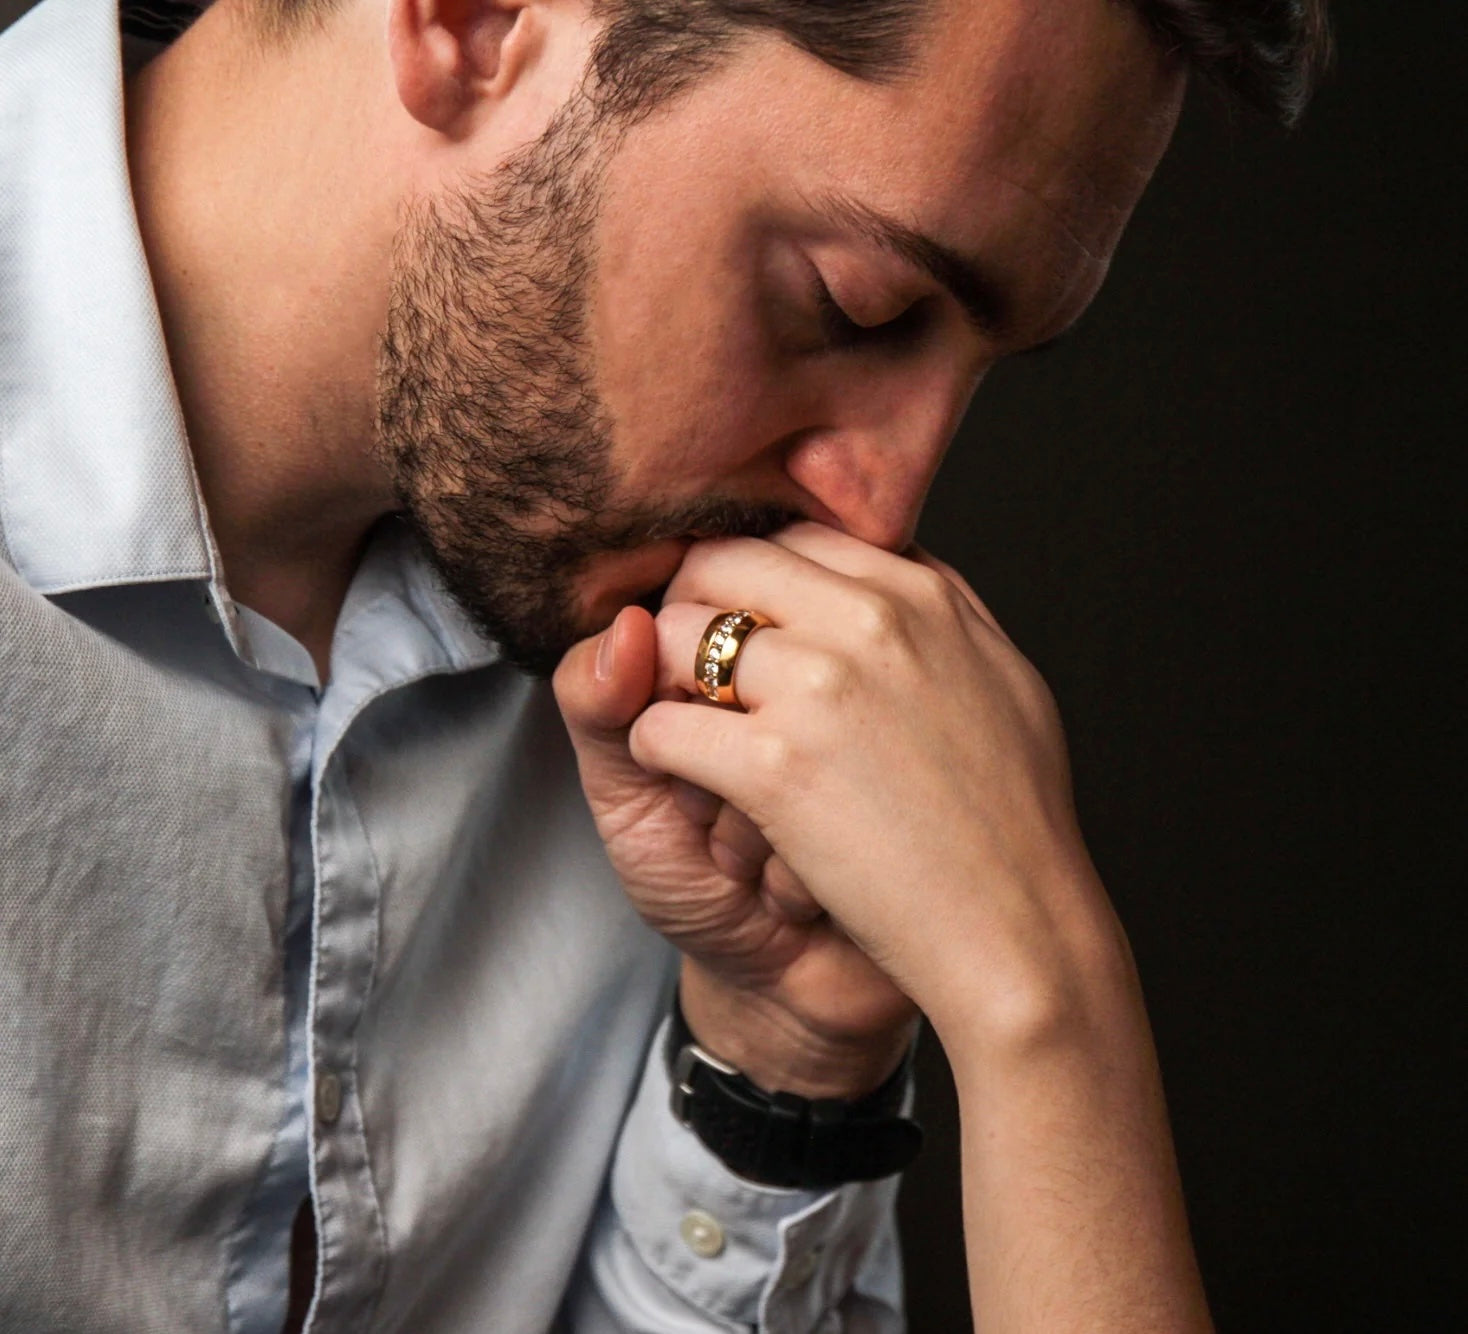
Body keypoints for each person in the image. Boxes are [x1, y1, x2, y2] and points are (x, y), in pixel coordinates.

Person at [0, 0, 1329, 1329]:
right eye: (855, 307)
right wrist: (1048, 997)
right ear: (474, 23)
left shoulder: (681, 698)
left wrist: (783, 1063)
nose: (882, 517)